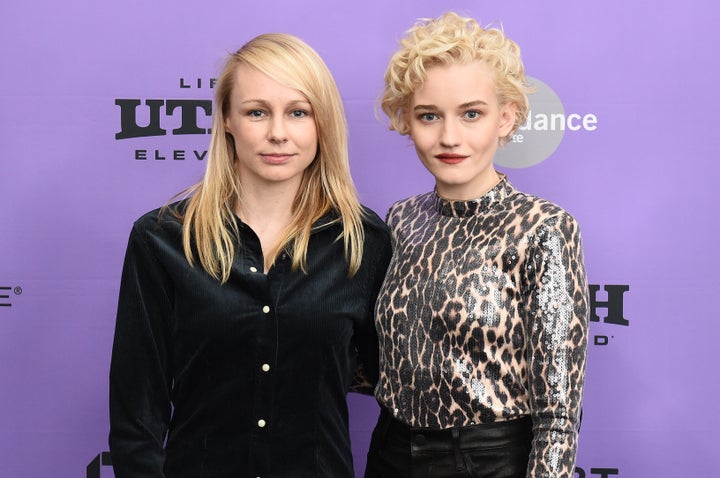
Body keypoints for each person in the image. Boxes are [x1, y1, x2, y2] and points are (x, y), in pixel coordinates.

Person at [108, 33, 391, 478]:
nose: (277, 133)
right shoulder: (161, 239)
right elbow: (136, 415)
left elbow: (394, 389)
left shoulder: (363, 241)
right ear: (226, 119)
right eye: (257, 112)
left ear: (323, 124)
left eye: (298, 112)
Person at [365, 12, 588, 478]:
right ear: (406, 119)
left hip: (489, 460)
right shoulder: (401, 219)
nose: (449, 137)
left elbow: (559, 411)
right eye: (429, 116)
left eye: (472, 113)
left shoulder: (542, 227)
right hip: (389, 451)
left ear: (506, 118)